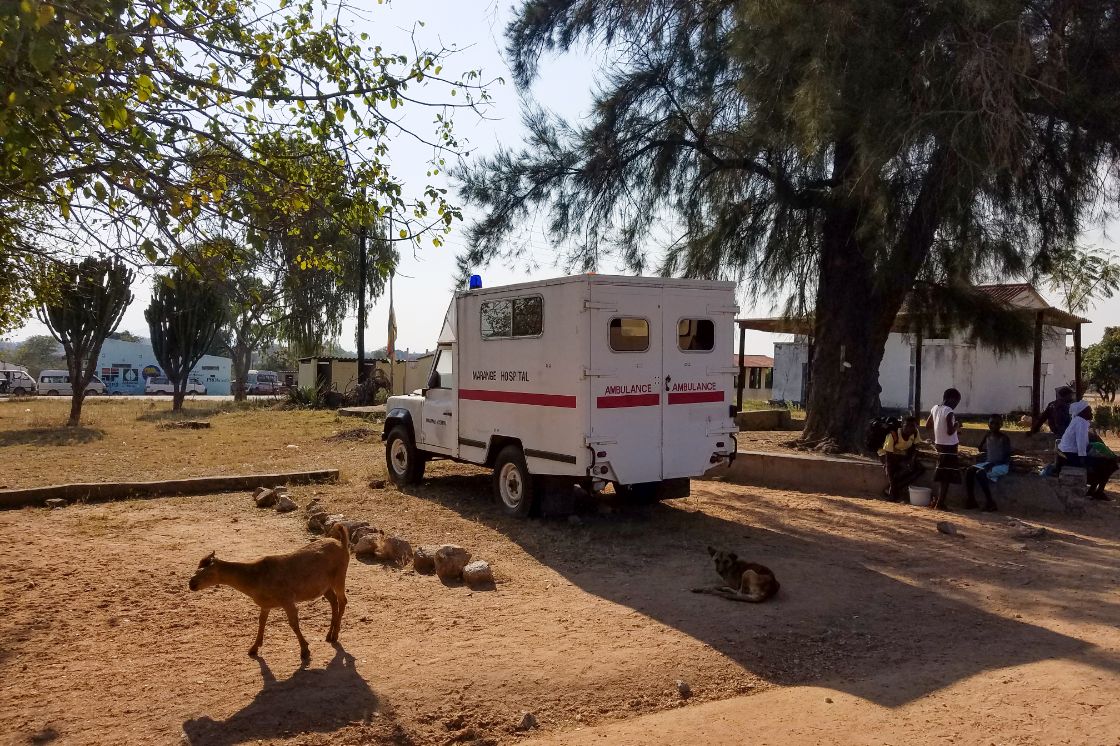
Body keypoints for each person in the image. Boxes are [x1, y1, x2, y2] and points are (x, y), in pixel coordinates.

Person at [1056, 401, 1117, 500]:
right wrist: (1083, 460)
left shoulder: (1078, 421)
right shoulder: (1081, 422)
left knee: (1105, 461)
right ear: (1082, 412)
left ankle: (1094, 491)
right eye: (1089, 411)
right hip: (1071, 456)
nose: (1092, 413)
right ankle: (1097, 492)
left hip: (1067, 455)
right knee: (1109, 463)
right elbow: (1080, 444)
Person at [965, 414, 1011, 511]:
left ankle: (990, 502)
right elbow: (980, 448)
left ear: (1001, 425)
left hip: (1001, 465)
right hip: (989, 462)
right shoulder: (987, 435)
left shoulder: (1004, 438)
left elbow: (1006, 457)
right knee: (969, 470)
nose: (994, 425)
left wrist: (993, 463)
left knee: (980, 473)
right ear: (988, 424)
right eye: (991, 423)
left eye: (997, 423)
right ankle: (971, 500)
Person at [926, 388, 962, 510]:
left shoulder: (935, 408)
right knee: (946, 476)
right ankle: (940, 503)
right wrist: (957, 425)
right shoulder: (949, 411)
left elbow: (927, 425)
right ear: (952, 399)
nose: (956, 405)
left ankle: (938, 501)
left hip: (939, 445)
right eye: (957, 402)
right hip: (950, 447)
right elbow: (950, 431)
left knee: (941, 474)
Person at [879, 416, 925, 502]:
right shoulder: (893, 435)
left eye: (913, 426)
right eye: (907, 426)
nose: (910, 429)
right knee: (894, 470)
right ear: (902, 425)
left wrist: (911, 460)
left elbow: (914, 448)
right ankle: (893, 490)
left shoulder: (915, 433)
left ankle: (894, 488)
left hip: (900, 453)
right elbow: (888, 461)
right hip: (886, 453)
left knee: (920, 469)